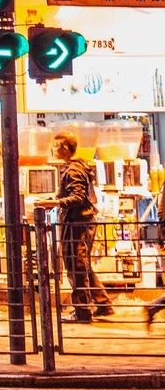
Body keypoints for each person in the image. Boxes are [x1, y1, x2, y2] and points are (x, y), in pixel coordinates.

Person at [53, 132, 112, 323]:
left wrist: (54, 203)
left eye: (56, 146)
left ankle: (82, 311)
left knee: (76, 265)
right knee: (82, 264)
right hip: (82, 222)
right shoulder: (77, 167)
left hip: (77, 223)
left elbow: (78, 198)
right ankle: (102, 304)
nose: (54, 149)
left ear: (65, 148)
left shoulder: (73, 170)